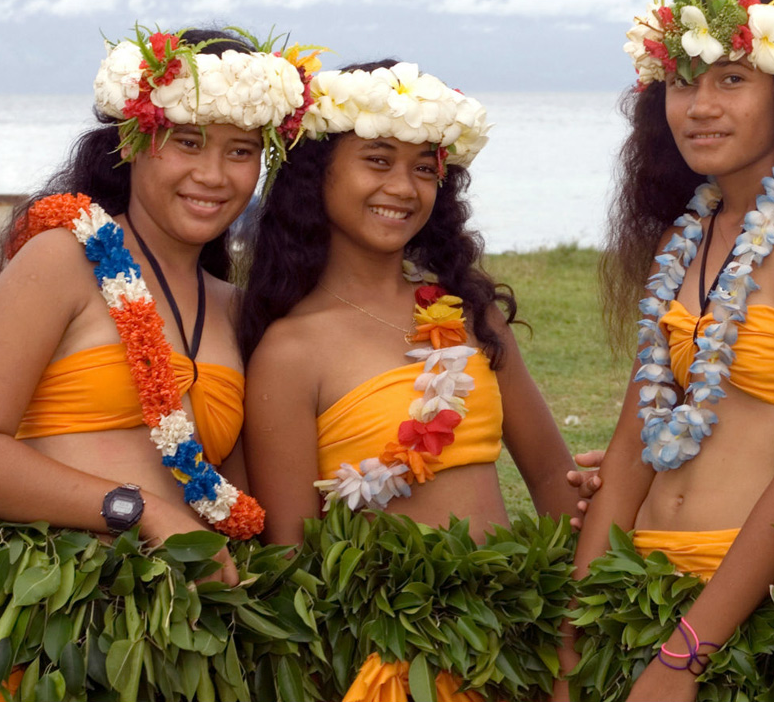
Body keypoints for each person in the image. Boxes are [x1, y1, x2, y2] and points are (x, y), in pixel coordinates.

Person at [563, 0, 774, 701]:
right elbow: (630, 450)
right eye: (683, 82)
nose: (700, 107)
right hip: (636, 592)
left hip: (738, 615)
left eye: (732, 80)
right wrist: (573, 644)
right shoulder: (695, 229)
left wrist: (686, 654)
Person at [238, 59, 582, 701]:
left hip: (516, 646)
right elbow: (291, 558)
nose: (403, 186)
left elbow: (549, 479)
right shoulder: (290, 351)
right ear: (318, 173)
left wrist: (572, 637)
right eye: (377, 159)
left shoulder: (465, 314)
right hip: (390, 664)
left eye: (425, 167)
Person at [0, 27, 312, 586]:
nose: (213, 176)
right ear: (134, 142)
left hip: (188, 628)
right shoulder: (63, 260)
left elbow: (232, 495)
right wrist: (142, 511)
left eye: (240, 151)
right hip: (56, 606)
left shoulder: (234, 308)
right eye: (188, 141)